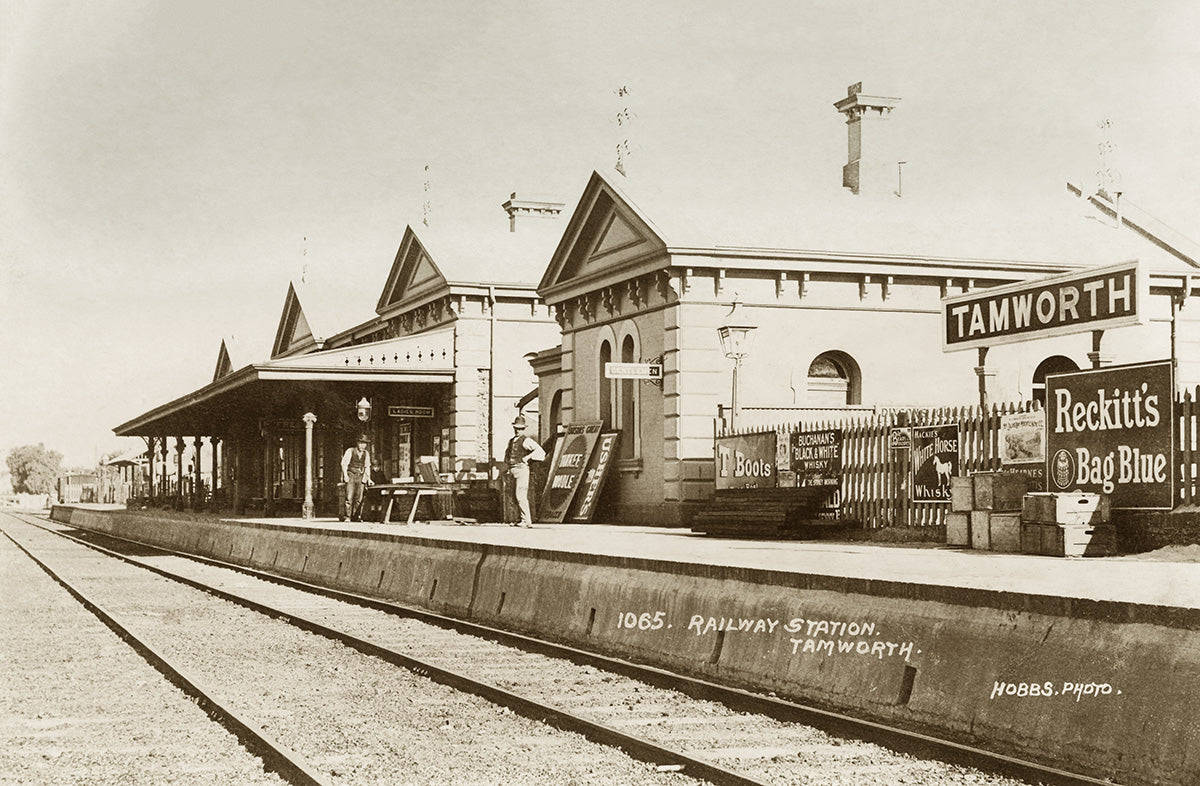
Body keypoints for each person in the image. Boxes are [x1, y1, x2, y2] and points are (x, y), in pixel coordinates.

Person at [505, 415, 545, 527]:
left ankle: (527, 520)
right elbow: (508, 456)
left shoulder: (526, 441)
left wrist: (528, 458)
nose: (518, 430)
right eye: (517, 428)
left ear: (524, 429)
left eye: (521, 428)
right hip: (512, 469)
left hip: (522, 469)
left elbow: (540, 452)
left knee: (521, 495)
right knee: (513, 496)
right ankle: (520, 519)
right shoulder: (511, 441)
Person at [341, 434, 372, 522]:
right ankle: (347, 516)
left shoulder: (366, 454)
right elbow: (344, 464)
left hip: (361, 475)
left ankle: (356, 516)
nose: (363, 445)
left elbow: (367, 466)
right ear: (357, 443)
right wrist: (345, 476)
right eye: (361, 443)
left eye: (365, 444)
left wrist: (368, 478)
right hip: (351, 474)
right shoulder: (350, 451)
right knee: (349, 497)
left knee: (359, 498)